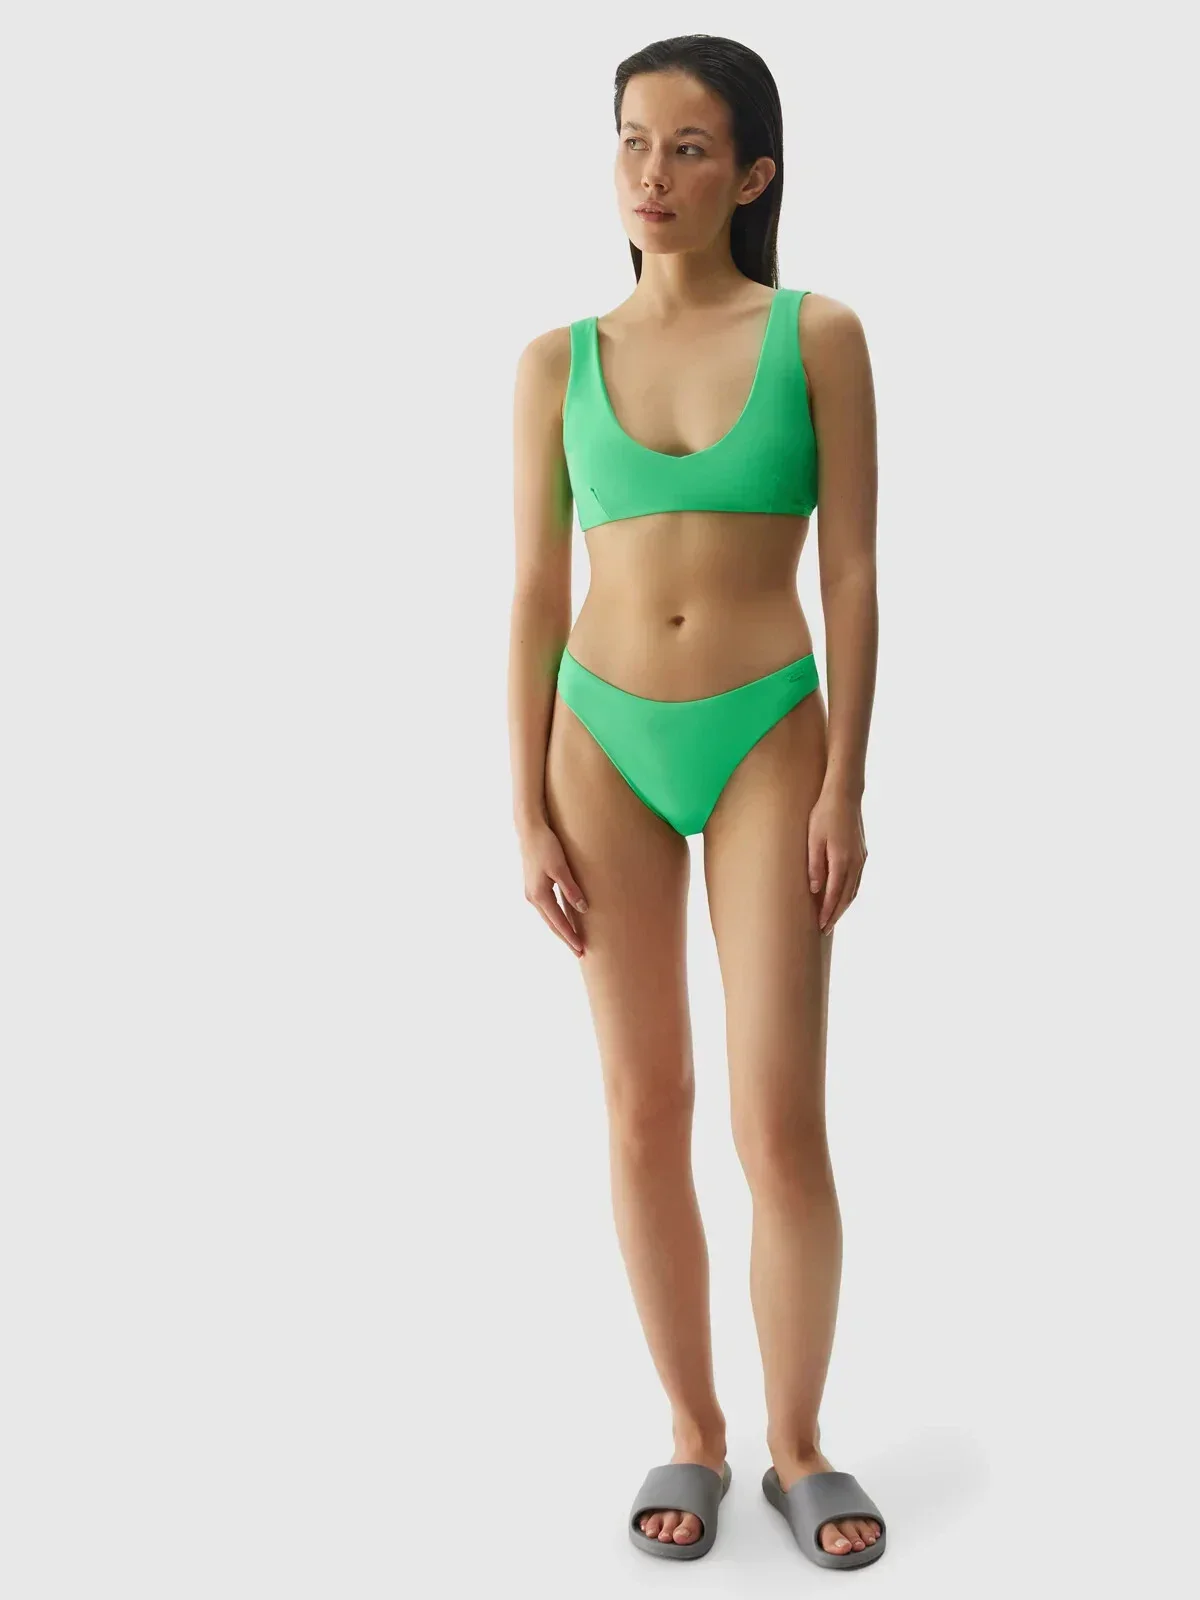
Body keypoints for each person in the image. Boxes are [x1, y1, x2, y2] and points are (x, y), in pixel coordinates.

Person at [507, 33, 884, 1571]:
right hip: (595, 740)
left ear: (753, 175)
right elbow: (533, 592)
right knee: (642, 1106)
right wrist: (522, 807)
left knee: (776, 1118)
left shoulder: (820, 336)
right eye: (631, 142)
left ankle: (800, 1444)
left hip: (768, 735)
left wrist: (848, 781)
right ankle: (693, 1427)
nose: (650, 174)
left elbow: (852, 576)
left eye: (688, 148)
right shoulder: (556, 361)